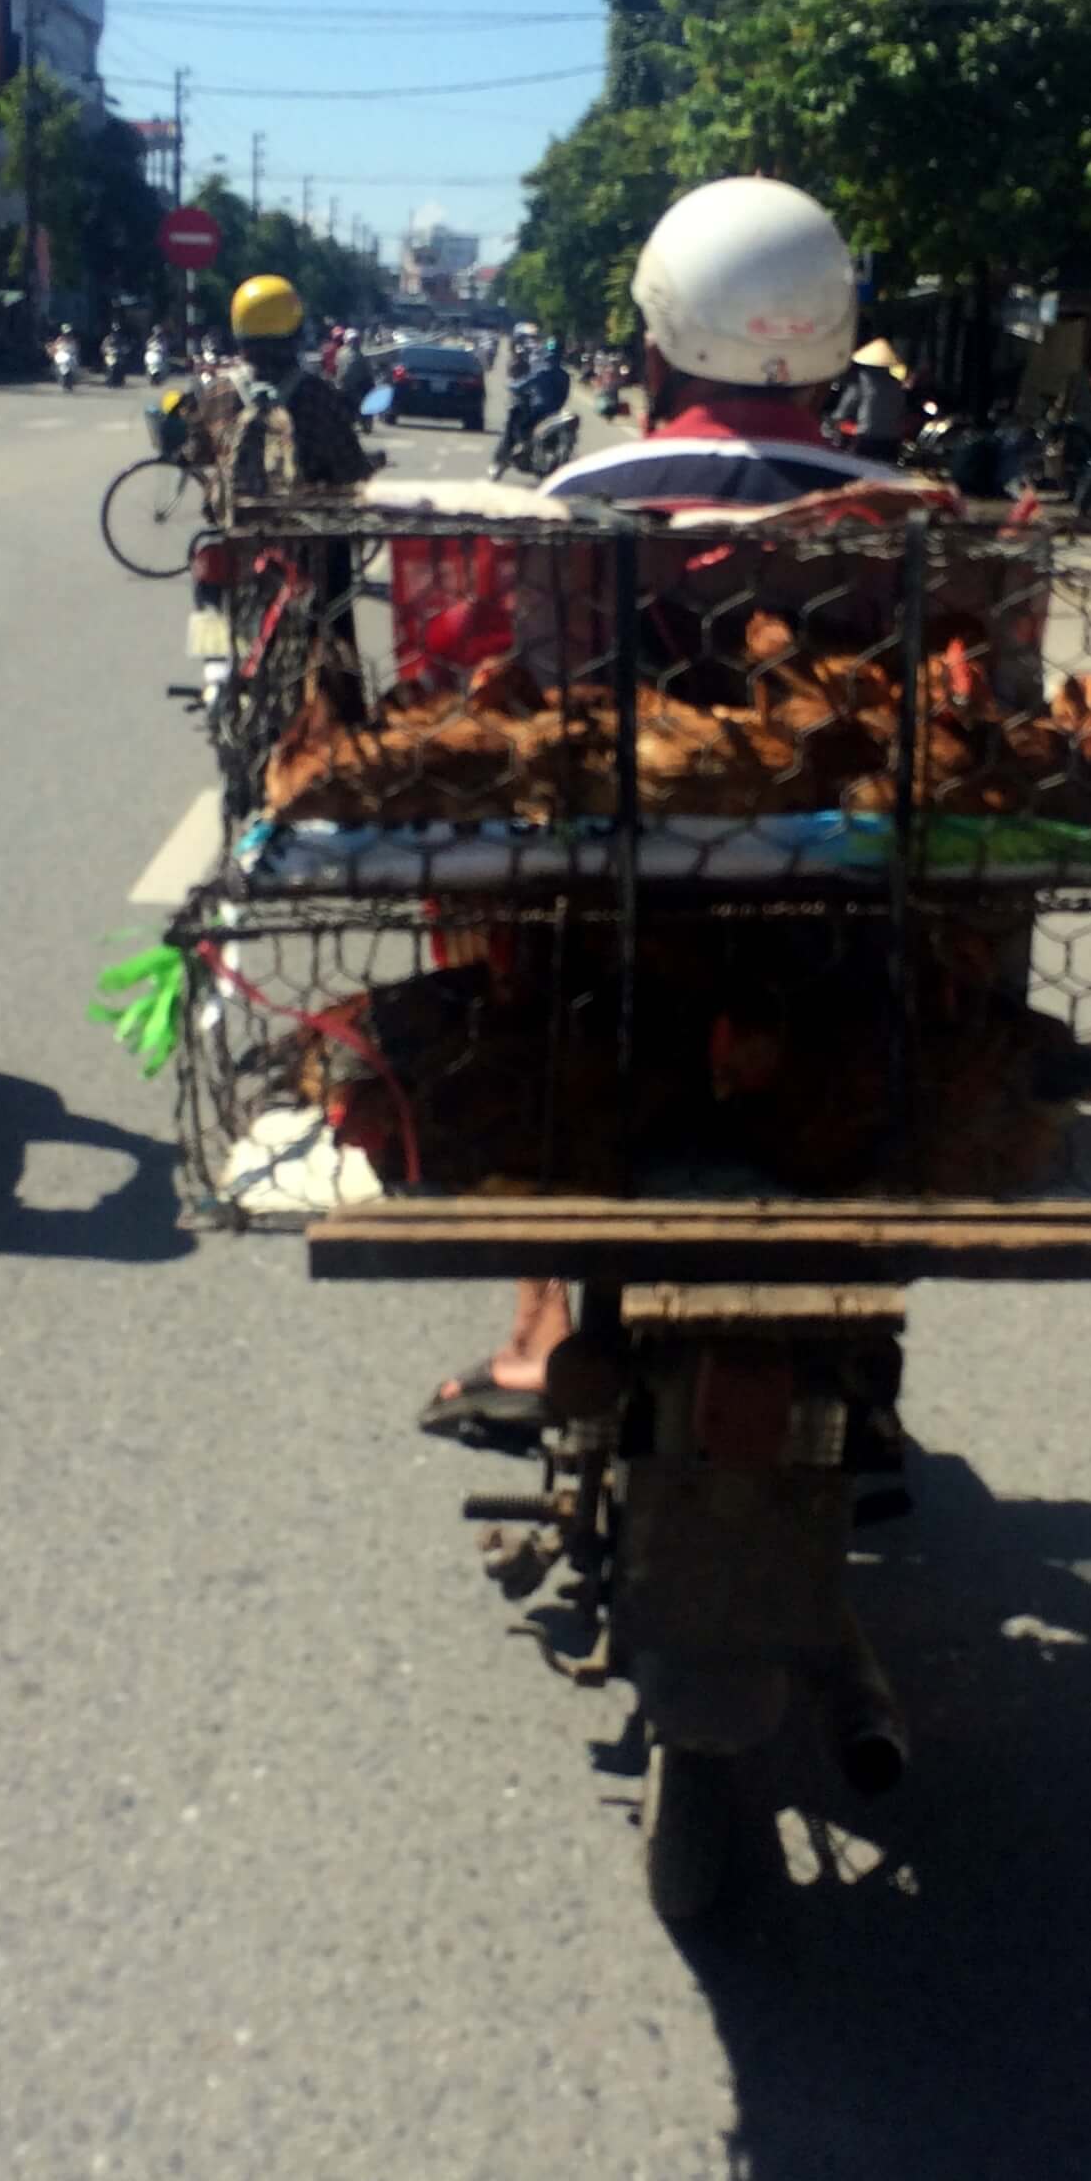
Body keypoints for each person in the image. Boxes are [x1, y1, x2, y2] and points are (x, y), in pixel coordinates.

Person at [424, 175, 882, 1447]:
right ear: (833, 349)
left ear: (654, 344)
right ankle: (863, 1345)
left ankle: (540, 1325)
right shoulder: (898, 509)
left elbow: (533, 705)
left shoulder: (582, 495)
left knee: (507, 931)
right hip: (835, 934)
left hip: (610, 926)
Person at [177, 272, 373, 516]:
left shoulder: (218, 392)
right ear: (296, 333)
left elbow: (197, 453)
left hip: (236, 526)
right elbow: (351, 467)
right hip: (309, 530)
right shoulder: (317, 394)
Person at [828, 335, 910, 463]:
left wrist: (835, 419)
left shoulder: (861, 381)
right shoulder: (896, 383)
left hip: (868, 437)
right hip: (892, 440)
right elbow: (901, 410)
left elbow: (845, 408)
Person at [496, 334, 571, 470]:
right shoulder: (564, 376)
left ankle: (515, 450)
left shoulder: (542, 373)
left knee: (518, 426)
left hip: (539, 413)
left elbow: (520, 386)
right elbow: (564, 396)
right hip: (555, 413)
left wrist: (511, 386)